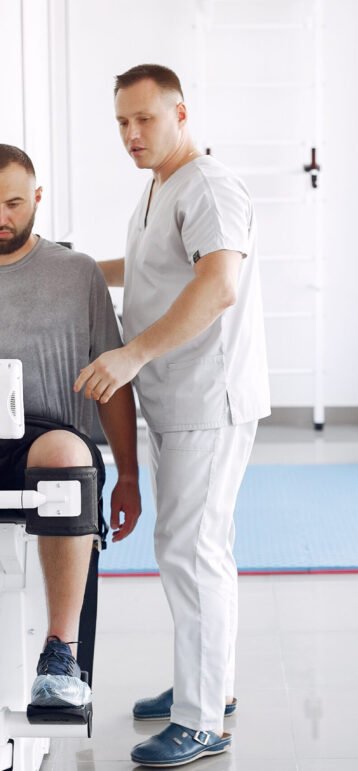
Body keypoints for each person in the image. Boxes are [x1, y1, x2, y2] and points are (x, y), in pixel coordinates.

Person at [74, 63, 270, 766]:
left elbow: (218, 286)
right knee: (189, 549)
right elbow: (152, 265)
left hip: (206, 400)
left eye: (145, 119)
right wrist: (73, 268)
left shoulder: (210, 187)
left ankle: (202, 718)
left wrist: (131, 355)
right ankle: (208, 685)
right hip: (177, 400)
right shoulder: (162, 185)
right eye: (122, 122)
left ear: (181, 115)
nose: (131, 133)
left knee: (193, 553)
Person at [0, 144, 141, 709]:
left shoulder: (75, 274)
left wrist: (127, 474)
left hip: (45, 436)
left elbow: (114, 382)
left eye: (13, 203)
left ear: (37, 199)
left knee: (63, 455)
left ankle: (61, 651)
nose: (1, 218)